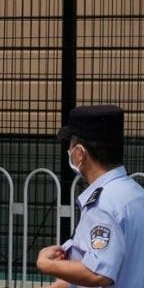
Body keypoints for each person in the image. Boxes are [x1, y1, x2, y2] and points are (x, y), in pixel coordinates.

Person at [37, 104, 144, 288]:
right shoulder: (135, 193)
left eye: (70, 145)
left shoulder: (103, 204)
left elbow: (98, 274)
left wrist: (46, 264)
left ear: (80, 153)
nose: (69, 151)